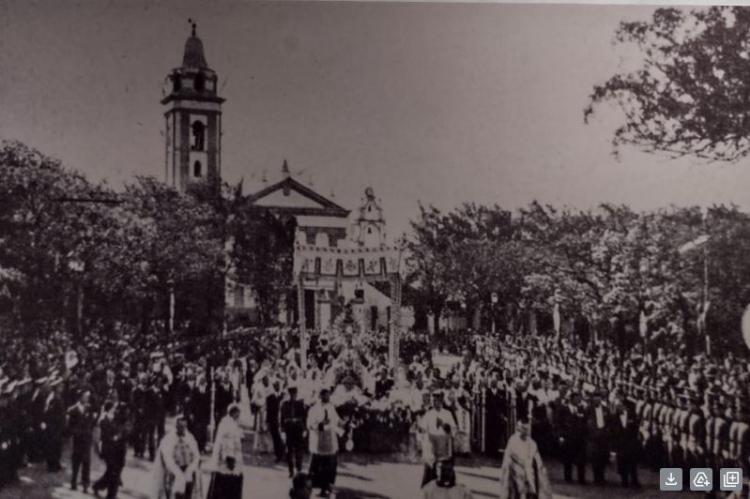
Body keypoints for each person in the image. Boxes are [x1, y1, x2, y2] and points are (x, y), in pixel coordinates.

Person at [498, 419, 552, 499]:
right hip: (516, 468)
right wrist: (520, 463)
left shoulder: (532, 443)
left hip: (529, 469)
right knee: (519, 477)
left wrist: (532, 464)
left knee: (531, 478)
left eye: (527, 429)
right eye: (523, 429)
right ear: (519, 429)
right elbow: (510, 456)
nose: (525, 431)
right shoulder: (513, 440)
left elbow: (537, 459)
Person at [152, 414, 202, 499]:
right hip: (173, 473)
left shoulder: (190, 438)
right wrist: (178, 473)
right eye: (180, 426)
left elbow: (196, 456)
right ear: (176, 426)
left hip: (188, 472)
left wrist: (189, 469)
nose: (182, 429)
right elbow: (167, 459)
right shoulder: (168, 439)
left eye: (184, 426)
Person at [307, 387, 342, 498]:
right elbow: (310, 424)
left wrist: (344, 423)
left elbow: (337, 420)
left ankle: (327, 486)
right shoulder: (314, 409)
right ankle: (316, 487)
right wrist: (321, 425)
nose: (326, 397)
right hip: (318, 441)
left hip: (330, 441)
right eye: (324, 395)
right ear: (320, 396)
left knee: (329, 465)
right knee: (318, 466)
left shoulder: (331, 407)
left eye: (328, 395)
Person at [206, 403, 244, 499]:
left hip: (228, 460)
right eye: (238, 413)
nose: (239, 415)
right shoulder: (228, 424)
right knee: (226, 486)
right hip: (228, 462)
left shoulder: (228, 422)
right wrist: (230, 458)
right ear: (234, 413)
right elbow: (227, 443)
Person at [420, 391, 456, 487]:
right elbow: (422, 429)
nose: (436, 403)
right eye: (434, 400)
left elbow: (453, 430)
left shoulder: (447, 414)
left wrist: (444, 425)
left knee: (445, 472)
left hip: (444, 445)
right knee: (429, 470)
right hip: (432, 445)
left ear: (442, 401)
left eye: (438, 400)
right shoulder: (429, 414)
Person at [93, 400, 126, 499]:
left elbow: (122, 429)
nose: (115, 410)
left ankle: (99, 487)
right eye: (114, 408)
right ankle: (111, 495)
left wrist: (119, 435)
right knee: (113, 471)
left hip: (117, 449)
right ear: (109, 409)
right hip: (108, 449)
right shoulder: (104, 420)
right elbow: (105, 436)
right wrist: (115, 437)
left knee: (112, 472)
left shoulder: (115, 418)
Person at [67, 389, 96, 493]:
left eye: (87, 397)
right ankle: (73, 482)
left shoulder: (89, 408)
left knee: (86, 462)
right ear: (80, 397)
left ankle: (85, 484)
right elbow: (69, 426)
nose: (87, 398)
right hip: (78, 440)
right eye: (85, 396)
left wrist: (89, 432)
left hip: (87, 439)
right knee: (76, 461)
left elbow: (92, 422)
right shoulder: (73, 410)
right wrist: (76, 432)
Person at [281, 385, 307, 477]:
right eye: (291, 394)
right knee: (289, 451)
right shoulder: (285, 405)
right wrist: (282, 431)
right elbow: (282, 419)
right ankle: (291, 470)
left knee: (299, 451)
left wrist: (304, 429)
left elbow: (304, 418)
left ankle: (299, 469)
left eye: (294, 394)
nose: (293, 396)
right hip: (289, 430)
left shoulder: (300, 404)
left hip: (298, 430)